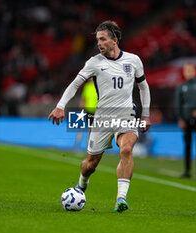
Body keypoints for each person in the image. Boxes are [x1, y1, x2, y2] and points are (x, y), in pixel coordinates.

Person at [48, 21, 151, 212]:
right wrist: (60, 106)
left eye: (102, 39)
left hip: (126, 114)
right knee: (90, 164)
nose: (99, 43)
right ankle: (81, 185)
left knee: (126, 149)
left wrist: (145, 114)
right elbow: (74, 84)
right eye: (97, 40)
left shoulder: (133, 60)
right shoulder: (94, 62)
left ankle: (121, 198)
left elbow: (143, 86)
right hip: (102, 118)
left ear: (114, 39)